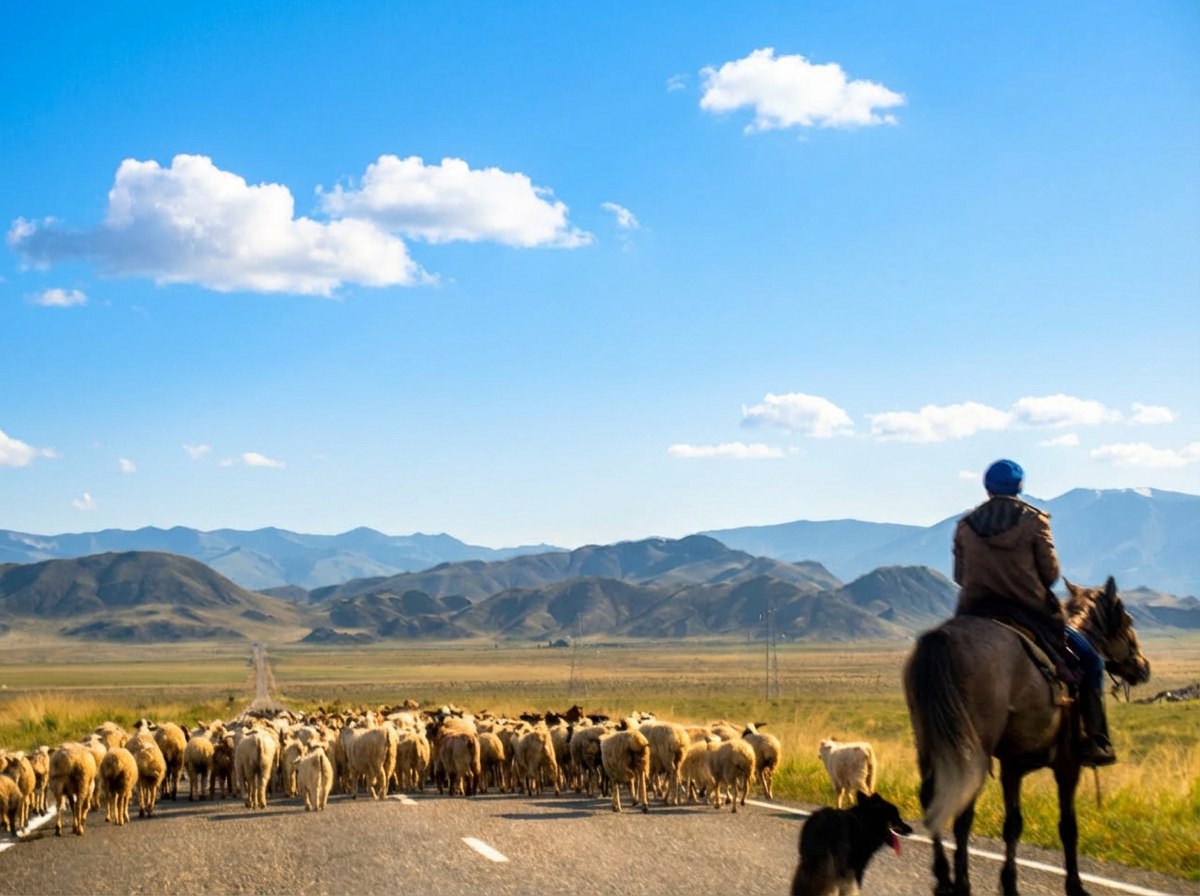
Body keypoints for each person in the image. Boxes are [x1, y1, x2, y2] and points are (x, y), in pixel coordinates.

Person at [953, 458, 1116, 767]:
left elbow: (960, 576)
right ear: (1019, 487)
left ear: (987, 488)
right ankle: (1095, 741)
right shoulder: (1034, 520)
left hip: (975, 611)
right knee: (1092, 662)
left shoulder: (965, 525)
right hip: (1029, 611)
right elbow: (1051, 573)